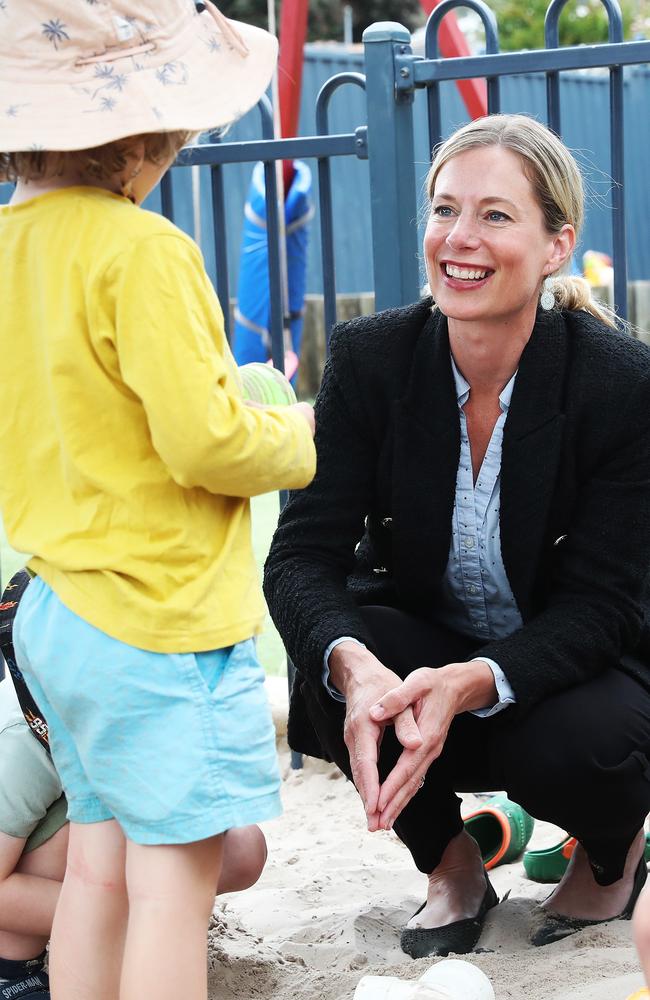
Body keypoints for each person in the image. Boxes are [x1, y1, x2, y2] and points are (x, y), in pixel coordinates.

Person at [264, 113, 650, 959]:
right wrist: (356, 666)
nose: (460, 238)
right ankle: (451, 862)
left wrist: (476, 679)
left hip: (573, 676)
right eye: (445, 210)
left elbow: (604, 608)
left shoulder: (618, 382)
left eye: (496, 215)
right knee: (329, 657)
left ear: (557, 246)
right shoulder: (371, 359)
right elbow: (301, 556)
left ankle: (616, 856)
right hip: (430, 651)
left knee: (581, 744)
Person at [0, 4, 317, 999]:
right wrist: (299, 436)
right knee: (169, 889)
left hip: (56, 612)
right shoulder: (141, 251)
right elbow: (207, 440)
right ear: (138, 136)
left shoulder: (11, 248)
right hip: (158, 617)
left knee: (98, 871)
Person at [0, 571, 270, 1000]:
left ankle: (127, 929)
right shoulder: (22, 738)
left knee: (236, 846)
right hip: (17, 908)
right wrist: (132, 911)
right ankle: (14, 966)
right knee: (103, 841)